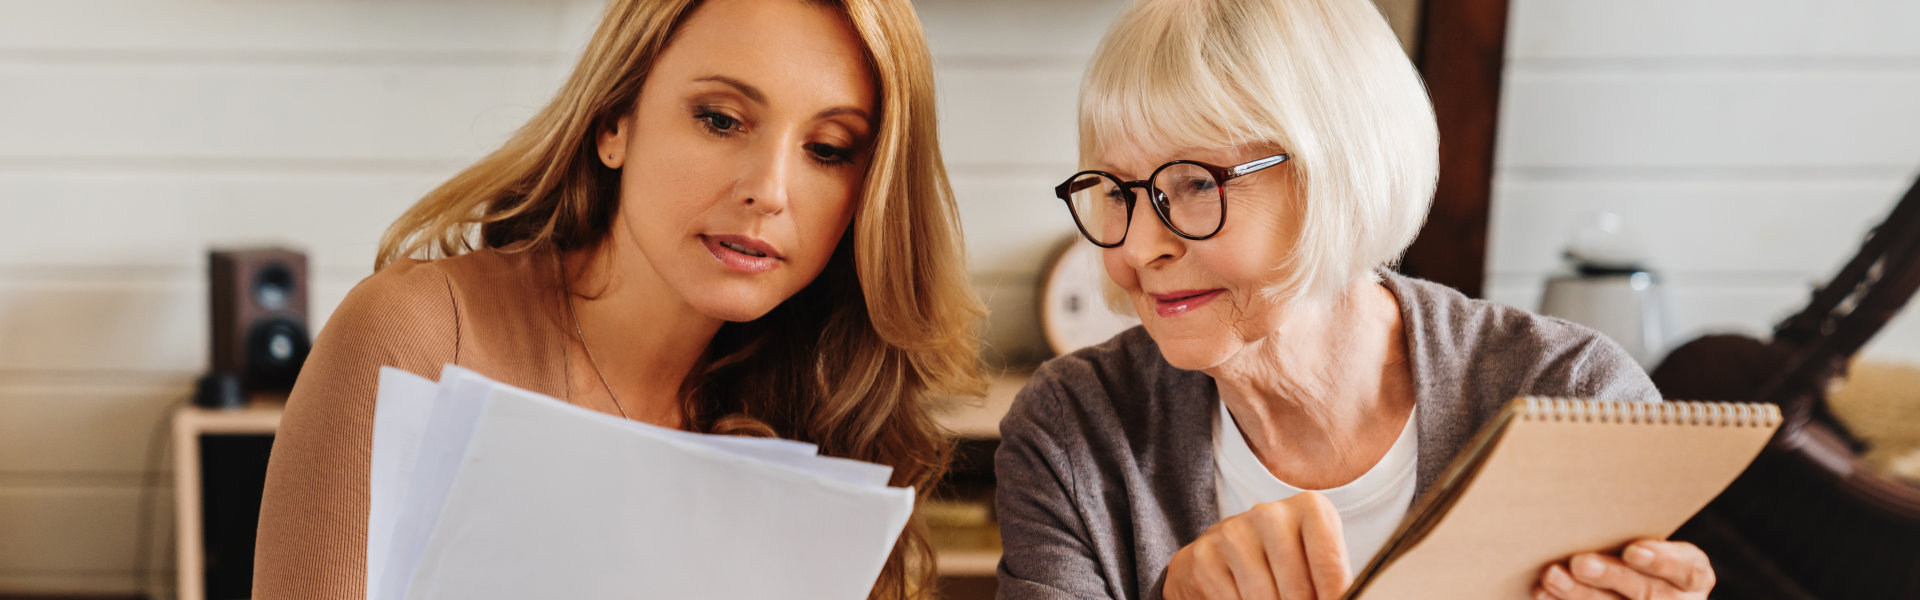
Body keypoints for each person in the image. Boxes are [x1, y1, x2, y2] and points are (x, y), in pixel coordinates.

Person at [251, 0, 983, 598]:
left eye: (828, 149)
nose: (769, 190)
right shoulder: (418, 337)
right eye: (721, 119)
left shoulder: (828, 405)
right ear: (614, 122)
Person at [993, 0, 1716, 598]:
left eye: (1196, 184)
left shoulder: (1569, 395)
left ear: (1338, 172)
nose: (1136, 249)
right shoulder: (1075, 432)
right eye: (1118, 192)